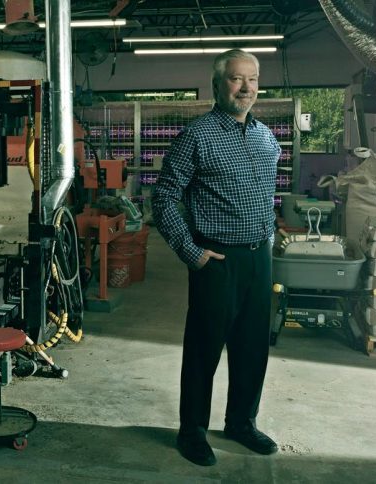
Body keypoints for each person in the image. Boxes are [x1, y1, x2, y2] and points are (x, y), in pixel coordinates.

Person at [152, 49, 280, 466]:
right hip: (217, 260)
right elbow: (163, 197)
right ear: (217, 84)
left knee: (253, 348)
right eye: (237, 79)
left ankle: (241, 422)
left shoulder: (266, 137)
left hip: (259, 258)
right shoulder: (197, 136)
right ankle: (192, 432)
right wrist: (191, 252)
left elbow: (267, 194)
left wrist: (270, 237)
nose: (246, 88)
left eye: (252, 79)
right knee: (204, 351)